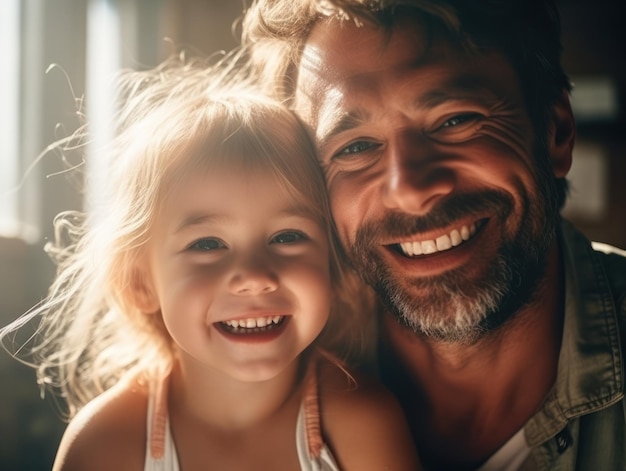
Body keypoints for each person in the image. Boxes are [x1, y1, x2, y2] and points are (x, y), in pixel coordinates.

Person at [240, 0, 626, 469]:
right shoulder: (258, 373)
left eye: (455, 120)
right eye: (356, 147)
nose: (410, 190)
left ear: (555, 131)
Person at [0, 56, 420, 470]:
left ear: (332, 261)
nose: (254, 277)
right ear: (140, 282)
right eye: (207, 245)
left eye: (287, 237)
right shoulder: (106, 445)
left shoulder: (361, 425)